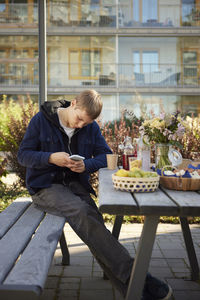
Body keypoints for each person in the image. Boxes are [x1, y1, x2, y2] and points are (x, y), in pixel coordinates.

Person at [18, 89, 172, 300]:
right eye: (79, 119)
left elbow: (107, 156)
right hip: (45, 187)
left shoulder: (89, 127)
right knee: (82, 211)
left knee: (95, 225)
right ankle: (139, 277)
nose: (80, 125)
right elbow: (23, 156)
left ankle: (135, 292)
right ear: (73, 104)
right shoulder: (41, 120)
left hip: (75, 186)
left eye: (86, 123)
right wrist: (51, 158)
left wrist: (86, 165)